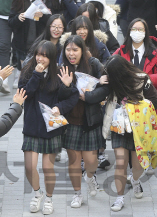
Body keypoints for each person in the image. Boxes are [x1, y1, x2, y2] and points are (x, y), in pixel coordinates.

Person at [87, 55, 157, 212]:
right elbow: (97, 93)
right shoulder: (111, 82)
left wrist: (136, 107)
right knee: (120, 163)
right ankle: (119, 198)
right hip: (119, 128)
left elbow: (154, 101)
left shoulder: (142, 80)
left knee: (138, 165)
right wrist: (99, 83)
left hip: (139, 128)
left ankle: (135, 180)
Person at [18, 41, 79, 215]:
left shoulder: (60, 72)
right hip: (32, 124)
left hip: (51, 127)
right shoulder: (28, 71)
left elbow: (72, 97)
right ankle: (38, 194)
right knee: (30, 166)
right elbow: (24, 94)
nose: (40, 58)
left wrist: (61, 102)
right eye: (38, 54)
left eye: (45, 55)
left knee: (47, 167)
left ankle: (49, 198)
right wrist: (36, 75)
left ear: (52, 58)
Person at [60, 35, 104, 208]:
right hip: (70, 121)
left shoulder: (94, 65)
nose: (71, 54)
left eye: (75, 50)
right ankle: (77, 194)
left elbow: (106, 88)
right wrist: (65, 86)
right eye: (68, 50)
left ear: (83, 50)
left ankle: (90, 177)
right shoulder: (61, 68)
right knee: (74, 161)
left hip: (90, 120)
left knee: (91, 161)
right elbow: (58, 96)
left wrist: (88, 96)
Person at [114, 18, 157, 119]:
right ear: (129, 31)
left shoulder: (155, 53)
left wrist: (143, 79)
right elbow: (111, 68)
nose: (137, 32)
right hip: (126, 104)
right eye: (134, 29)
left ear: (145, 32)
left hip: (149, 103)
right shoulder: (121, 52)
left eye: (140, 29)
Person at [8, 0, 49, 87]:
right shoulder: (18, 1)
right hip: (22, 42)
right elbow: (11, 22)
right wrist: (18, 18)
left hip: (38, 40)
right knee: (23, 64)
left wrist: (42, 16)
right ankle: (20, 78)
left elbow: (50, 20)